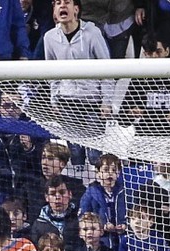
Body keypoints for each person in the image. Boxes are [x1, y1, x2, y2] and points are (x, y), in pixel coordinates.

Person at [43, 0, 113, 164]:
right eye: (58, 3)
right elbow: (52, 73)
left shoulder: (93, 33)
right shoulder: (49, 38)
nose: (62, 6)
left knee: (95, 157)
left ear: (76, 9)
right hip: (66, 103)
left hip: (92, 103)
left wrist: (107, 101)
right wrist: (54, 100)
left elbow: (108, 69)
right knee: (75, 156)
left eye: (67, 2)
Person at [23, 141, 85, 223]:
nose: (45, 163)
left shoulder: (76, 187)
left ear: (62, 164)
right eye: (43, 157)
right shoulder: (31, 186)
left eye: (50, 158)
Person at [79, 153, 126, 251]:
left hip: (123, 240)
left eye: (114, 170)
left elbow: (132, 214)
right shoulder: (91, 192)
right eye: (105, 170)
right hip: (101, 242)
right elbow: (83, 216)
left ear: (118, 173)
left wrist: (125, 225)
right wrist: (102, 226)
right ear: (98, 173)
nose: (110, 173)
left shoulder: (125, 192)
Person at [29, 175, 81, 251]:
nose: (58, 197)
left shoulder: (79, 219)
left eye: (62, 192)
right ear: (47, 197)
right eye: (53, 194)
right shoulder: (39, 224)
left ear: (70, 194)